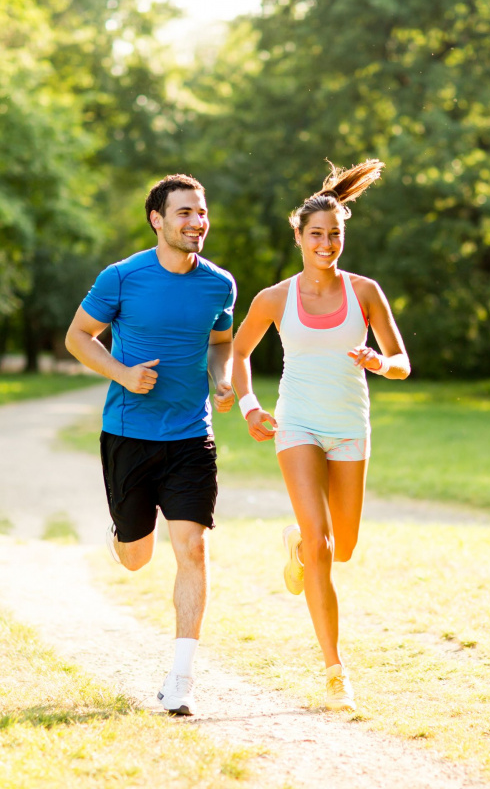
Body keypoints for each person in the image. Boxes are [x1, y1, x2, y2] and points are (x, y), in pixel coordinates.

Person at [232, 159, 410, 712]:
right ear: (299, 237)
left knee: (346, 546)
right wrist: (249, 405)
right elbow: (238, 353)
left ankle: (298, 540)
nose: (326, 243)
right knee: (322, 545)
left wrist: (378, 363)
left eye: (334, 234)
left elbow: (402, 360)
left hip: (350, 425)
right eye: (317, 234)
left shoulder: (366, 292)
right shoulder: (275, 298)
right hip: (298, 424)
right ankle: (335, 670)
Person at [65, 173, 236, 716]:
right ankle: (122, 529)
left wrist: (223, 376)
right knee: (136, 558)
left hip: (191, 436)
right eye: (184, 213)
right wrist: (121, 372)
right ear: (157, 220)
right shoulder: (121, 277)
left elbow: (221, 341)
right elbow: (77, 338)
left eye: (201, 212)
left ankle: (181, 680)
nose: (196, 222)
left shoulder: (220, 284)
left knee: (193, 549)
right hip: (129, 435)